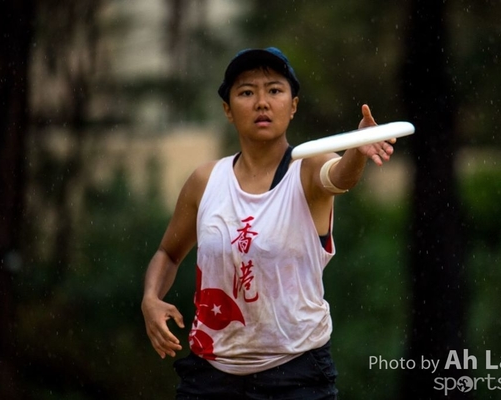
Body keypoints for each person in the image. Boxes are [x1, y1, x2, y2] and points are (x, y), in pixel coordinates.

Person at [141, 47, 396, 399]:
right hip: (210, 376)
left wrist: (357, 148)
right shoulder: (204, 181)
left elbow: (340, 177)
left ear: (293, 105)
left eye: (274, 90)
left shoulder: (308, 167)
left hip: (297, 375)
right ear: (228, 110)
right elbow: (168, 254)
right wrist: (151, 298)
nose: (262, 102)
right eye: (247, 92)